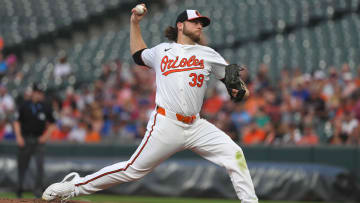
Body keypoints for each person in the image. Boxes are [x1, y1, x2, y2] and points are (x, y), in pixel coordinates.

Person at [42, 4, 258, 203]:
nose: (200, 25)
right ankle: (74, 186)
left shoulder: (209, 54)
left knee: (235, 154)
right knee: (132, 169)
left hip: (196, 125)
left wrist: (240, 93)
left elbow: (238, 86)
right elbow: (138, 55)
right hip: (167, 123)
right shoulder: (162, 51)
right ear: (180, 25)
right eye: (195, 22)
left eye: (202, 23)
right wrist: (134, 23)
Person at [13, 84, 56, 198]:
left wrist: (45, 136)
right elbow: (17, 122)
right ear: (33, 93)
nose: (40, 95)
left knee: (39, 166)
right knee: (22, 165)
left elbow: (52, 124)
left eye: (41, 93)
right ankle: (19, 189)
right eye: (38, 92)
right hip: (25, 138)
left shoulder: (46, 107)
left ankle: (37, 191)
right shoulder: (24, 105)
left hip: (38, 140)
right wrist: (18, 137)